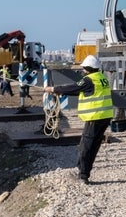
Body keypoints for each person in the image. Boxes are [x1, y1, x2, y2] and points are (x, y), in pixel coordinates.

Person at [43, 55, 113, 184]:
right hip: (105, 116)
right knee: (94, 145)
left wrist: (53, 89)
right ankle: (85, 172)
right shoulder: (102, 78)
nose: (82, 71)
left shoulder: (88, 80)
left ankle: (83, 175)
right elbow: (82, 91)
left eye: (84, 68)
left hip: (95, 117)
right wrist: (62, 92)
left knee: (85, 146)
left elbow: (75, 86)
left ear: (87, 68)